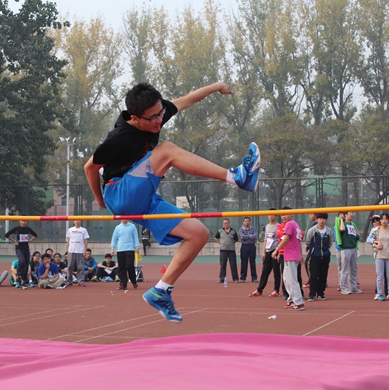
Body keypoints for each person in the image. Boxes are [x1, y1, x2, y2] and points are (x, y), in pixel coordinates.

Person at [84, 82, 260, 322]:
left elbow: (187, 99)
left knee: (198, 233)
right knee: (166, 151)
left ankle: (161, 290)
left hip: (145, 198)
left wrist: (216, 86)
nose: (159, 121)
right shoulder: (118, 138)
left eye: (161, 114)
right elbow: (90, 167)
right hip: (120, 193)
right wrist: (100, 199)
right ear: (135, 118)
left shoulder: (156, 114)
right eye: (152, 118)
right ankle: (237, 177)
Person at [274, 207, 305, 311]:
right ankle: (291, 299)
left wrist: (276, 250)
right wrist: (300, 255)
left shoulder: (290, 224)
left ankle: (299, 302)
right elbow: (298, 241)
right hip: (292, 255)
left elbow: (286, 239)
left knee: (291, 280)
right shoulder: (296, 225)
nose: (284, 216)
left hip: (291, 255)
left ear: (291, 214)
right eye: (282, 215)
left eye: (286, 214)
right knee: (286, 279)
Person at [367, 213, 389, 301]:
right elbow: (368, 239)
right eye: (382, 219)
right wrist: (375, 243)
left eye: (385, 219)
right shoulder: (376, 230)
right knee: (380, 276)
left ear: (388, 220)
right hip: (379, 255)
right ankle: (379, 293)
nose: (384, 221)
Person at [250, 209, 280, 298]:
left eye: (273, 215)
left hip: (275, 251)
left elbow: (280, 240)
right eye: (269, 215)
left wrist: (278, 252)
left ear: (276, 216)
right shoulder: (267, 226)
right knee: (265, 272)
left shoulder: (278, 226)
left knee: (276, 272)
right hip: (268, 251)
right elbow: (266, 239)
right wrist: (264, 252)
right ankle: (259, 290)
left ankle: (276, 290)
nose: (271, 217)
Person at [304, 213, 333, 301]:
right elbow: (308, 241)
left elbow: (330, 242)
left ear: (326, 220)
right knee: (314, 275)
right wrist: (313, 249)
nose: (322, 221)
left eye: (323, 219)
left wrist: (325, 250)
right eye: (320, 219)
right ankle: (312, 294)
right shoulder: (312, 230)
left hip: (325, 256)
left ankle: (321, 293)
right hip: (315, 256)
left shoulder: (329, 230)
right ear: (317, 219)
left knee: (323, 275)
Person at [4, 220, 37, 290]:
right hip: (19, 248)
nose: (24, 222)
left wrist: (30, 241)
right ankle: (18, 278)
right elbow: (6, 235)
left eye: (25, 221)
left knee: (26, 264)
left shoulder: (28, 229)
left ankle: (23, 282)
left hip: (26, 249)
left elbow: (35, 235)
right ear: (20, 221)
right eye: (22, 221)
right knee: (22, 261)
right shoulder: (16, 229)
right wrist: (14, 241)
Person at [335, 211, 362, 295]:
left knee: (354, 269)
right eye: (350, 213)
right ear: (345, 215)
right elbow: (342, 229)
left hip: (353, 248)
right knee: (345, 269)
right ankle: (343, 287)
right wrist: (341, 220)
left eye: (353, 213)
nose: (352, 215)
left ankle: (353, 287)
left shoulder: (352, 225)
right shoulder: (343, 224)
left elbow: (357, 236)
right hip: (346, 248)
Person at [111, 220, 140, 290]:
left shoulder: (132, 226)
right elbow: (114, 238)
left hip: (130, 249)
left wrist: (137, 247)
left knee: (130, 266)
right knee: (121, 267)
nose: (124, 218)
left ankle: (133, 281)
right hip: (120, 249)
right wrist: (112, 248)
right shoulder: (117, 227)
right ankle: (123, 284)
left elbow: (135, 237)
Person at [66, 219, 90, 287]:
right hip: (71, 250)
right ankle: (69, 281)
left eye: (78, 220)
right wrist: (67, 250)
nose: (77, 222)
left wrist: (85, 250)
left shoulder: (84, 230)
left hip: (80, 251)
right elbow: (68, 240)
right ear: (73, 221)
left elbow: (86, 241)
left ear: (80, 221)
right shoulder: (70, 230)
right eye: (76, 220)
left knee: (80, 267)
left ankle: (81, 281)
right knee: (70, 266)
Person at [215, 218, 239, 284]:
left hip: (231, 251)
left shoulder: (233, 231)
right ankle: (222, 278)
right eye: (225, 223)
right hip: (223, 251)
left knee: (233, 265)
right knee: (222, 265)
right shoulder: (220, 231)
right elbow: (216, 238)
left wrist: (230, 243)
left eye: (227, 223)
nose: (226, 224)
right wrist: (221, 243)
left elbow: (236, 240)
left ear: (229, 223)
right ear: (223, 224)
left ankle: (235, 278)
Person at [239, 216, 258, 283]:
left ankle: (254, 278)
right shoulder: (241, 229)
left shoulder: (253, 228)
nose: (247, 222)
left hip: (252, 246)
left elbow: (255, 236)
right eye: (245, 221)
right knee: (244, 262)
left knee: (253, 262)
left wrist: (246, 236)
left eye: (248, 221)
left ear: (250, 222)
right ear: (243, 222)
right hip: (244, 246)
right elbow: (242, 237)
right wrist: (250, 235)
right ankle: (243, 277)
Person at [303, 213, 318, 288]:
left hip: (315, 248)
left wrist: (308, 246)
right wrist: (307, 246)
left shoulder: (316, 225)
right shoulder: (314, 225)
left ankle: (311, 281)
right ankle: (318, 281)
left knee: (307, 263)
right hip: (314, 248)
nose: (310, 216)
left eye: (311, 214)